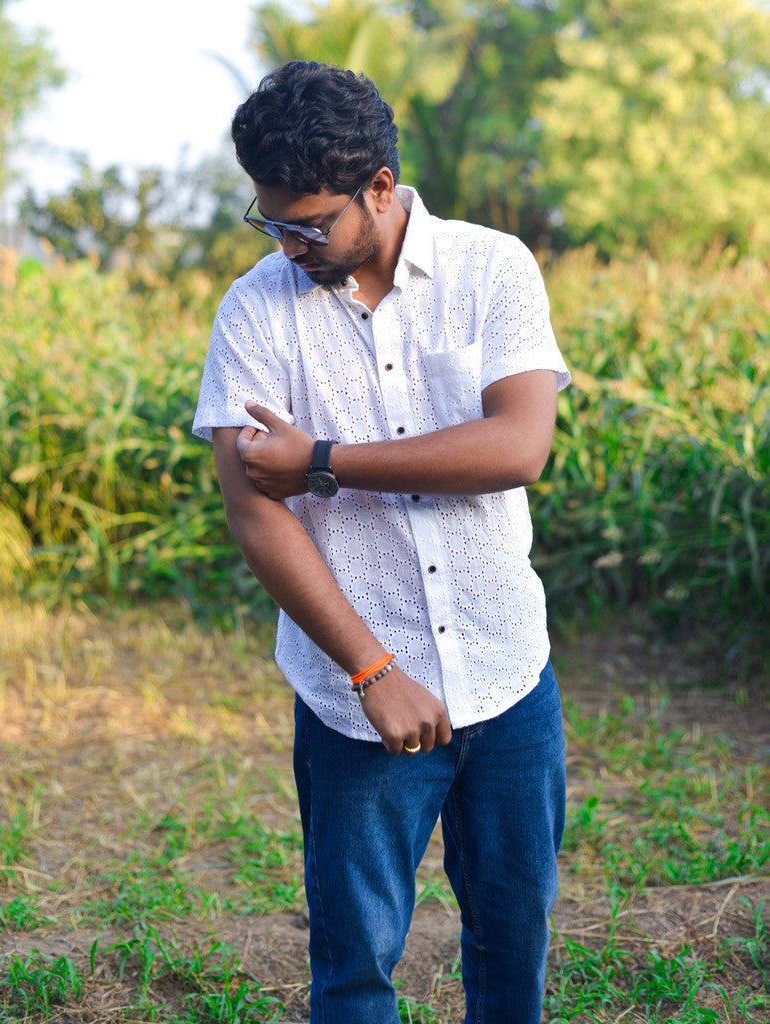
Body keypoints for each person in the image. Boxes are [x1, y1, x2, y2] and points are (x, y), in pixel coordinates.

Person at [193, 60, 570, 1024]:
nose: (286, 242)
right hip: (353, 700)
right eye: (269, 219)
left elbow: (517, 446)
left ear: (379, 190)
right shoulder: (253, 309)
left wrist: (322, 458)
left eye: (309, 223)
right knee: (355, 963)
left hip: (505, 671)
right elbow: (253, 508)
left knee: (512, 940)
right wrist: (371, 671)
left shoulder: (493, 268)